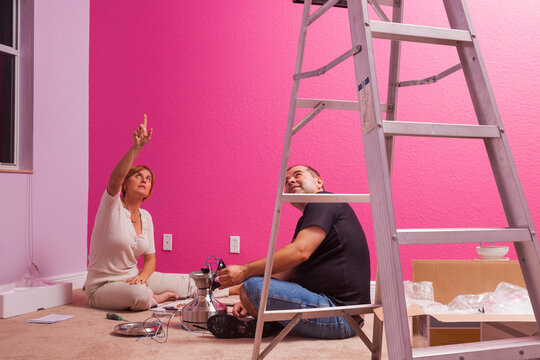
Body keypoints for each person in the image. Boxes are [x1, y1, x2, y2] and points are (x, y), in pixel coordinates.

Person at [208, 165, 371, 339]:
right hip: (339, 313)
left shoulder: (324, 201)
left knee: (254, 287)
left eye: (297, 175)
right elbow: (287, 272)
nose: (291, 181)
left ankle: (267, 324)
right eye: (286, 181)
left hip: (340, 316)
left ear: (319, 182)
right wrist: (246, 298)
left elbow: (299, 251)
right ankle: (265, 325)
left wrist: (244, 272)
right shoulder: (311, 217)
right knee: (253, 289)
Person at [84, 115, 197, 311]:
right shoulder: (112, 207)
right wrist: (137, 147)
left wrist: (143, 277)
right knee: (140, 294)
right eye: (138, 176)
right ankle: (156, 299)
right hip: (103, 287)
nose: (144, 180)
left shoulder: (146, 217)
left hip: (133, 277)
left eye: (148, 178)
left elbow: (150, 259)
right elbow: (113, 181)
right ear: (126, 184)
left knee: (189, 282)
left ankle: (236, 288)